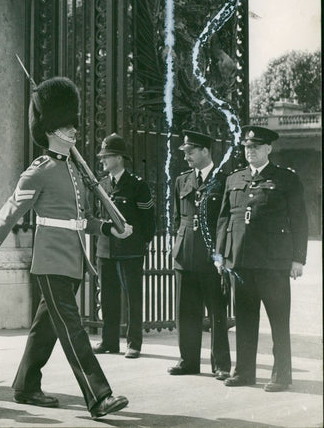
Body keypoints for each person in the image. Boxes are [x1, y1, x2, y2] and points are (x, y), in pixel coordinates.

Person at [0, 76, 131, 419]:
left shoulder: (73, 170)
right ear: (50, 131)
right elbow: (11, 209)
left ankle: (26, 384)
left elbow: (80, 219)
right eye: (66, 126)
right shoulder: (38, 171)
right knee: (72, 328)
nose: (73, 131)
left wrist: (107, 229)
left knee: (46, 327)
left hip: (73, 258)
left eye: (72, 126)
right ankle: (98, 395)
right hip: (50, 259)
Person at [215, 125, 308, 392]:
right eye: (247, 147)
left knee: (278, 319)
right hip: (241, 262)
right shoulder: (234, 179)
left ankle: (281, 375)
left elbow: (300, 219)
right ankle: (244, 372)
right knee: (244, 319)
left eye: (256, 147)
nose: (250, 151)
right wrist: (219, 255)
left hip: (273, 263)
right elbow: (224, 220)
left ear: (269, 149)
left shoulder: (285, 178)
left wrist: (298, 259)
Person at [168, 130, 230, 379]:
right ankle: (188, 361)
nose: (187, 157)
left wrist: (222, 255)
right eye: (185, 153)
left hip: (210, 256)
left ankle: (221, 364)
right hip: (185, 254)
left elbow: (225, 221)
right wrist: (174, 248)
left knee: (216, 311)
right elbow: (177, 219)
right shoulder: (182, 181)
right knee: (186, 311)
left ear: (206, 151)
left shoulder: (223, 179)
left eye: (191, 152)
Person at [92, 133, 155, 359]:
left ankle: (133, 343)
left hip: (130, 250)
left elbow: (148, 221)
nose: (103, 161)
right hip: (106, 249)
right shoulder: (101, 185)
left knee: (132, 298)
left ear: (119, 158)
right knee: (107, 297)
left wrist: (141, 244)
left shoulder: (138, 186)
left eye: (107, 156)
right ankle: (109, 341)